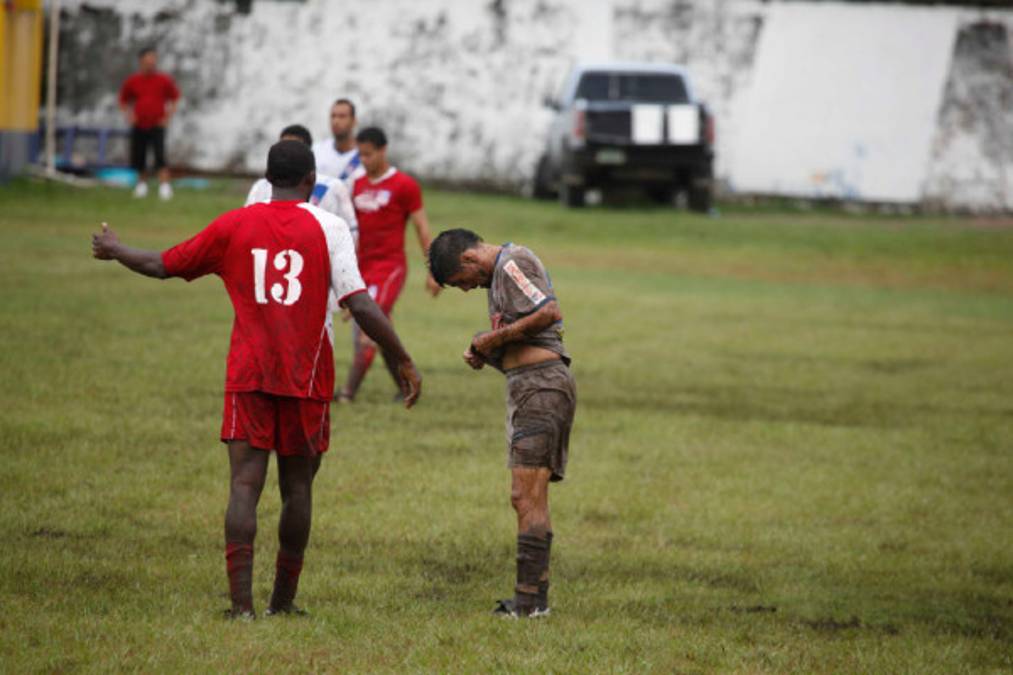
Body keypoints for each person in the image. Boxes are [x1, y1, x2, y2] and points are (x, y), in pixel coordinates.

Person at [91, 140, 422, 619]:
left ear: (267, 180)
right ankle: (283, 603)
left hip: (249, 374)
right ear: (311, 180)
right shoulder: (328, 227)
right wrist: (404, 359)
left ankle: (240, 607)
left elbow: (164, 265)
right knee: (299, 489)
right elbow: (361, 304)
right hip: (306, 377)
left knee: (245, 486)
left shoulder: (235, 224)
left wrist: (117, 248)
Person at [428, 228, 575, 619]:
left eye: (462, 282)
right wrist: (488, 352)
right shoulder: (500, 275)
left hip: (541, 390)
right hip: (531, 389)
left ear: (469, 259)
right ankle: (532, 602)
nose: (466, 289)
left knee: (526, 497)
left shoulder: (512, 263)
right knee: (529, 496)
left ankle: (529, 604)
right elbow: (530, 332)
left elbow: (549, 313)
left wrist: (493, 340)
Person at [337, 126, 440, 402]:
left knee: (368, 327)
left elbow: (421, 228)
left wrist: (434, 271)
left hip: (390, 268)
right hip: (361, 268)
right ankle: (406, 386)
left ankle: (347, 394)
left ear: (383, 151)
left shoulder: (404, 185)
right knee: (382, 329)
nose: (364, 160)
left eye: (369, 154)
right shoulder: (353, 184)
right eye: (360, 155)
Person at [246, 124, 358, 243]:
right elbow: (248, 227)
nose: (287, 155)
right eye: (283, 148)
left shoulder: (333, 187)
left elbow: (351, 231)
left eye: (294, 150)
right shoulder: (261, 186)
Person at [118, 46, 180, 200]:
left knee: (160, 156)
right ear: (141, 62)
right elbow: (123, 100)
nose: (151, 63)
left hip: (157, 124)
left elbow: (175, 98)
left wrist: (167, 117)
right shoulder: (133, 81)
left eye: (153, 60)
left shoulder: (163, 80)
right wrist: (129, 115)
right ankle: (141, 185)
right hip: (139, 124)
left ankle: (165, 187)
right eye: (148, 60)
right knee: (140, 156)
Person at [311, 98, 364, 189]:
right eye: (333, 116)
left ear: (354, 121)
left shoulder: (365, 155)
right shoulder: (317, 150)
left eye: (342, 116)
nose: (336, 121)